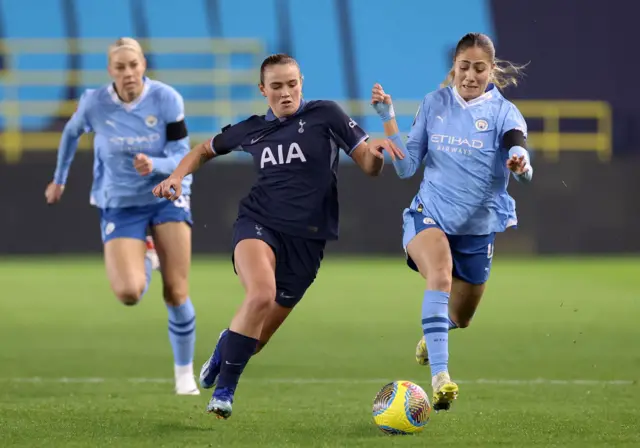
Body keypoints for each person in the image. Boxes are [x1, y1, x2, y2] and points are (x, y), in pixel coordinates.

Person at [153, 53, 403, 419]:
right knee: (260, 295)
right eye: (276, 86)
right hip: (258, 223)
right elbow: (205, 150)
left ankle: (225, 349)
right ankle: (224, 392)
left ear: (302, 82)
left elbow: (368, 165)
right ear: (262, 89)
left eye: (292, 84)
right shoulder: (252, 128)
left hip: (307, 242)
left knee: (253, 342)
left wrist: (377, 152)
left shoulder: (326, 115)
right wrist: (177, 176)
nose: (286, 93)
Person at [371, 32, 533, 412]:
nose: (471, 76)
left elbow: (518, 148)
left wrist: (521, 163)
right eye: (464, 67)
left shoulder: (504, 112)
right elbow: (406, 168)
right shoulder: (434, 103)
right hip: (429, 214)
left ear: (491, 70)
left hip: (477, 228)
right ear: (453, 68)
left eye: (480, 68)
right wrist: (388, 120)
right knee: (440, 274)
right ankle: (441, 378)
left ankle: (437, 330)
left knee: (462, 316)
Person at [44, 37, 199, 396]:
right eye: (120, 67)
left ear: (143, 65)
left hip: (167, 194)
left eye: (134, 65)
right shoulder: (94, 103)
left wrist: (156, 165)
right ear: (110, 71)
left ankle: (184, 375)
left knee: (176, 291)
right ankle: (147, 252)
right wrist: (59, 179)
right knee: (129, 293)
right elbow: (69, 134)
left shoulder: (166, 99)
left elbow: (181, 154)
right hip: (120, 201)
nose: (128, 73)